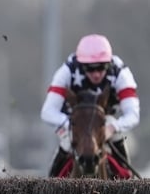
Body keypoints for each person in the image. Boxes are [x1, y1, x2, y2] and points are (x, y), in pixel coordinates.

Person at [40, 33, 140, 177]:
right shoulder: (67, 70)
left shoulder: (121, 72)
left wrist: (113, 128)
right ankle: (50, 187)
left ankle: (130, 184)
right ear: (81, 65)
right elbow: (47, 111)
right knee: (67, 142)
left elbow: (133, 114)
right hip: (73, 120)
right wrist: (70, 125)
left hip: (104, 119)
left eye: (101, 67)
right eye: (90, 69)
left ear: (109, 63)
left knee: (118, 136)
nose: (97, 74)